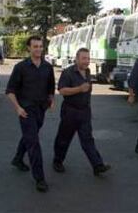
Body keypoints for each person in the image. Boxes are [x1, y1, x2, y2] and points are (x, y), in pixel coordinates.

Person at [6, 36, 55, 192]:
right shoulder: (21, 67)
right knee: (33, 142)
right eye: (35, 46)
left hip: (41, 109)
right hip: (26, 111)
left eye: (41, 46)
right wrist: (18, 108)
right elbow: (10, 91)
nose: (38, 49)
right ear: (29, 48)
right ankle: (39, 178)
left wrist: (51, 100)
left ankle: (18, 158)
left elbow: (51, 88)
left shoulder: (48, 67)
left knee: (29, 136)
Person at [53, 48, 111, 176]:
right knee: (64, 139)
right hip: (70, 112)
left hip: (84, 111)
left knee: (87, 140)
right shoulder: (68, 72)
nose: (87, 61)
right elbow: (62, 90)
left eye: (88, 58)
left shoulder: (88, 71)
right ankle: (57, 161)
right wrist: (79, 89)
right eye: (84, 58)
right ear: (77, 59)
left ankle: (97, 165)